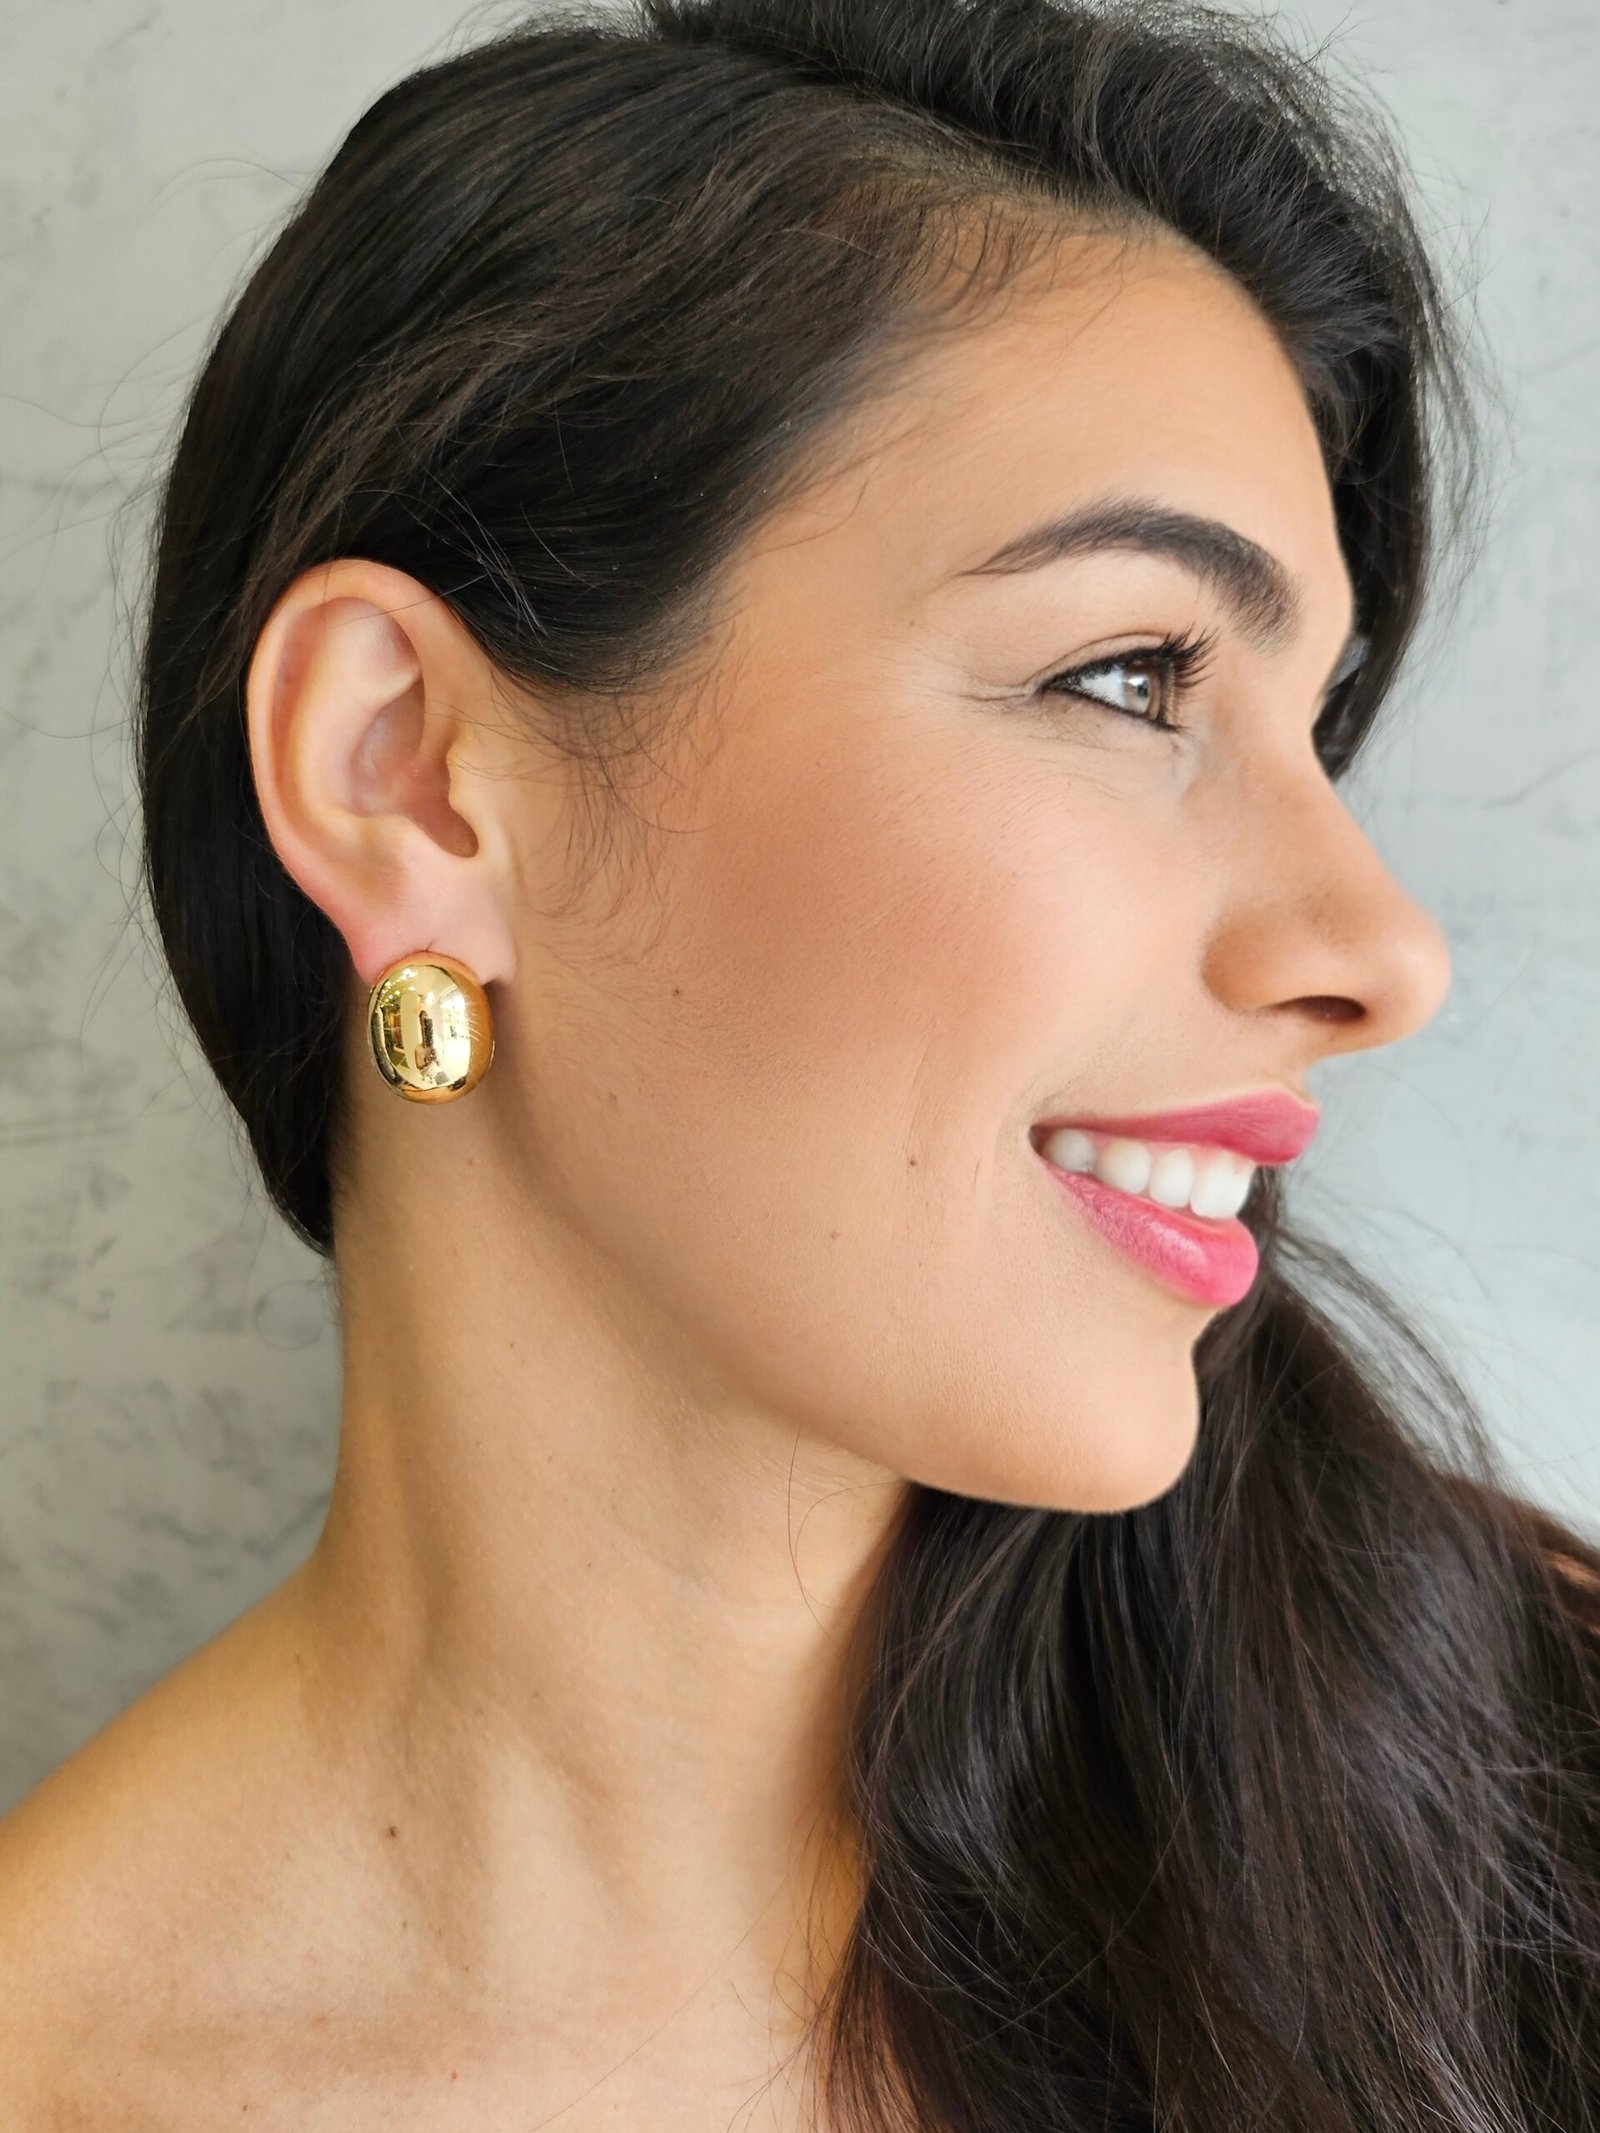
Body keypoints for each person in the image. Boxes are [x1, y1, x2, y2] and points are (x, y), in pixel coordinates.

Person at [3, 0, 1596, 2125]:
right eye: (1132, 674)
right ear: (409, 774)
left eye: (1313, 725)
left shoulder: (1532, 1794)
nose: (1380, 954)